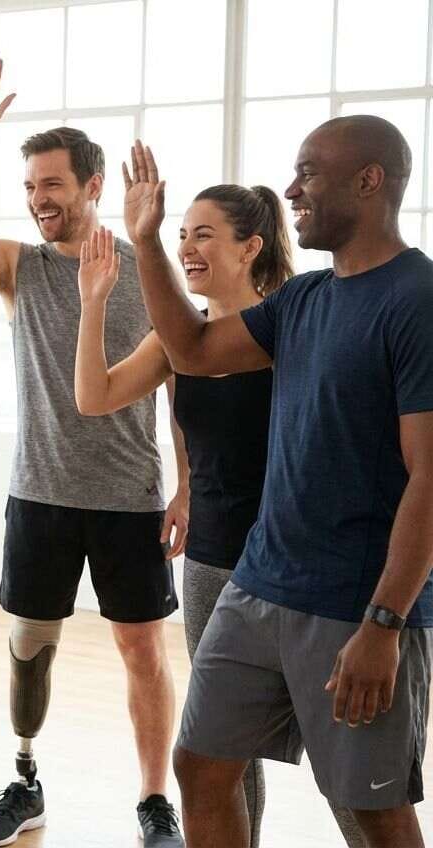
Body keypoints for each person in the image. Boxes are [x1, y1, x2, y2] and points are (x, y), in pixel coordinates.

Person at [122, 119, 433, 848]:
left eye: (308, 174)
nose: (290, 190)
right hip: (259, 585)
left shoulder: (417, 299)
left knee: (372, 809)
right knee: (201, 768)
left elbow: (430, 475)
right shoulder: (304, 299)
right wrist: (145, 243)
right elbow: (194, 350)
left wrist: (383, 625)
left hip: (353, 605)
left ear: (369, 180)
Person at [0, 51, 186, 846]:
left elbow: (180, 382)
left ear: (93, 186)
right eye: (31, 186)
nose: (39, 199)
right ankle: (26, 778)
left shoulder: (146, 271)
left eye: (53, 185)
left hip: (130, 495)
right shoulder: (19, 269)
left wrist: (188, 484)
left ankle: (153, 799)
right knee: (31, 646)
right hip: (40, 491)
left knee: (142, 651)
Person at [74, 192, 365, 847]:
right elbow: (95, 396)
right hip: (211, 560)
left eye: (202, 235)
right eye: (182, 234)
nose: (186, 248)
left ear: (250, 246)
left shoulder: (290, 329)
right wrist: (93, 303)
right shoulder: (179, 337)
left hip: (298, 571)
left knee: (342, 760)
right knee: (223, 747)